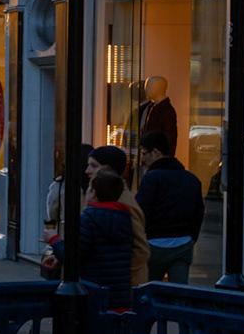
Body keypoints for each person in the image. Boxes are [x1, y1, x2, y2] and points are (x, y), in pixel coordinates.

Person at [135, 131, 204, 283]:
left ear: (155, 152)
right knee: (178, 294)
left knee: (148, 292)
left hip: (154, 244)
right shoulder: (191, 179)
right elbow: (198, 213)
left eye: (144, 153)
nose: (143, 159)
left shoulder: (151, 179)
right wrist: (191, 238)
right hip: (183, 243)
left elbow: (140, 211)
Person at [87, 145, 149, 286]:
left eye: (93, 166)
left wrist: (116, 273)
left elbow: (141, 250)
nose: (87, 171)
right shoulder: (112, 198)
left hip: (125, 285)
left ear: (106, 170)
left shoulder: (122, 202)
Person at [79, 169, 137, 309]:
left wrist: (54, 240)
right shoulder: (125, 217)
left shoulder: (88, 218)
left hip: (94, 292)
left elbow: (76, 254)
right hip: (120, 295)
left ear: (93, 193)